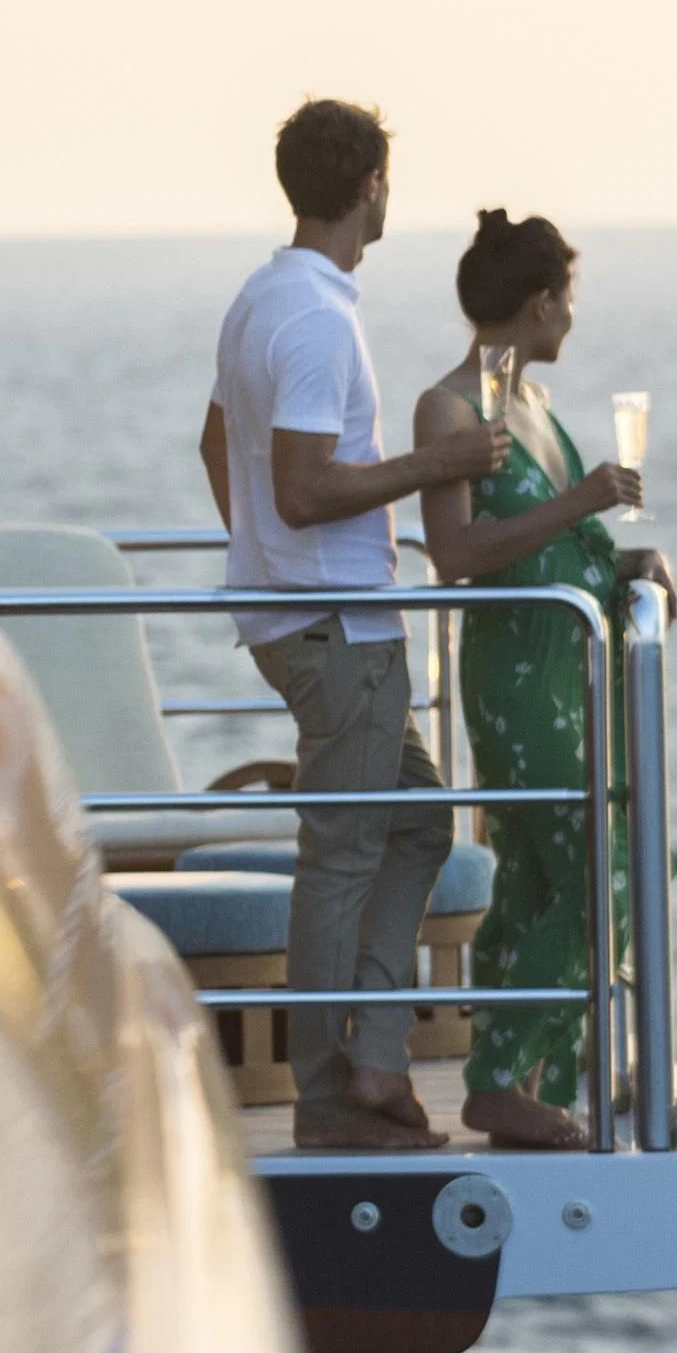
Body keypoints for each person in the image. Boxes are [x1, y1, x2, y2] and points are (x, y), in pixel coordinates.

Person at [200, 101, 510, 1151]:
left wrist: (263, 569)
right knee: (340, 856)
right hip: (340, 629)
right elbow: (298, 487)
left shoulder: (263, 300)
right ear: (371, 186)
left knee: (417, 826)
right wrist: (441, 466)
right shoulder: (318, 319)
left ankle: (373, 1062)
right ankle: (332, 1094)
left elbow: (216, 445)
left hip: (323, 620)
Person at [407, 210, 677, 1150]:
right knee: (612, 864)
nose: (573, 314)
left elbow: (561, 538)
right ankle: (506, 1076)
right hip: (518, 675)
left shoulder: (532, 402)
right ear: (538, 302)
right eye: (568, 295)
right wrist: (582, 498)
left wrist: (631, 564)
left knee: (536, 882)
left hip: (575, 667)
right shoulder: (450, 410)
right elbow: (455, 554)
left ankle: (536, 1074)